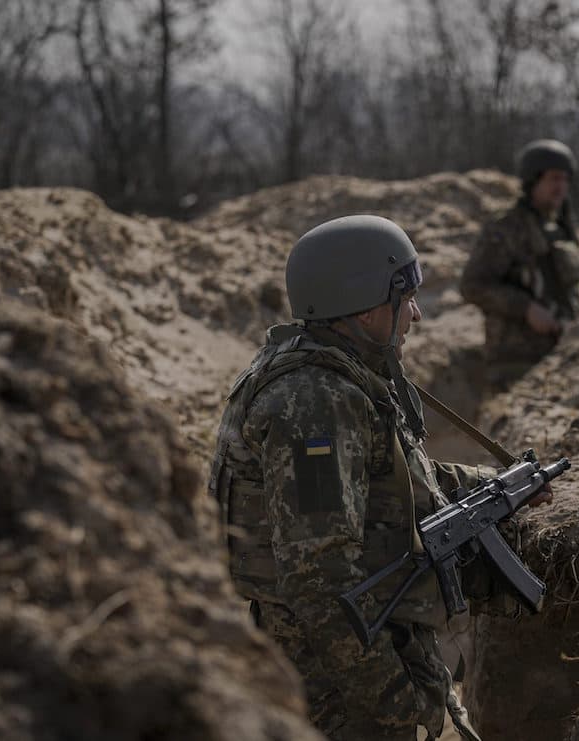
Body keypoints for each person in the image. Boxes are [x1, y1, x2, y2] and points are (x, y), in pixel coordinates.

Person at [208, 215, 548, 740]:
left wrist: (497, 483)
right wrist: (395, 704)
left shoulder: (341, 372)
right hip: (335, 674)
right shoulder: (315, 405)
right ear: (364, 305)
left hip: (363, 644)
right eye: (404, 297)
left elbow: (390, 475)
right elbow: (318, 580)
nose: (414, 313)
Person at [460, 139, 579, 387]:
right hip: (514, 363)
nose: (560, 187)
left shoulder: (560, 229)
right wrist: (526, 308)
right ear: (533, 180)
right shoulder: (506, 229)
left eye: (564, 179)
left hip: (560, 357)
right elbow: (473, 285)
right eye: (553, 179)